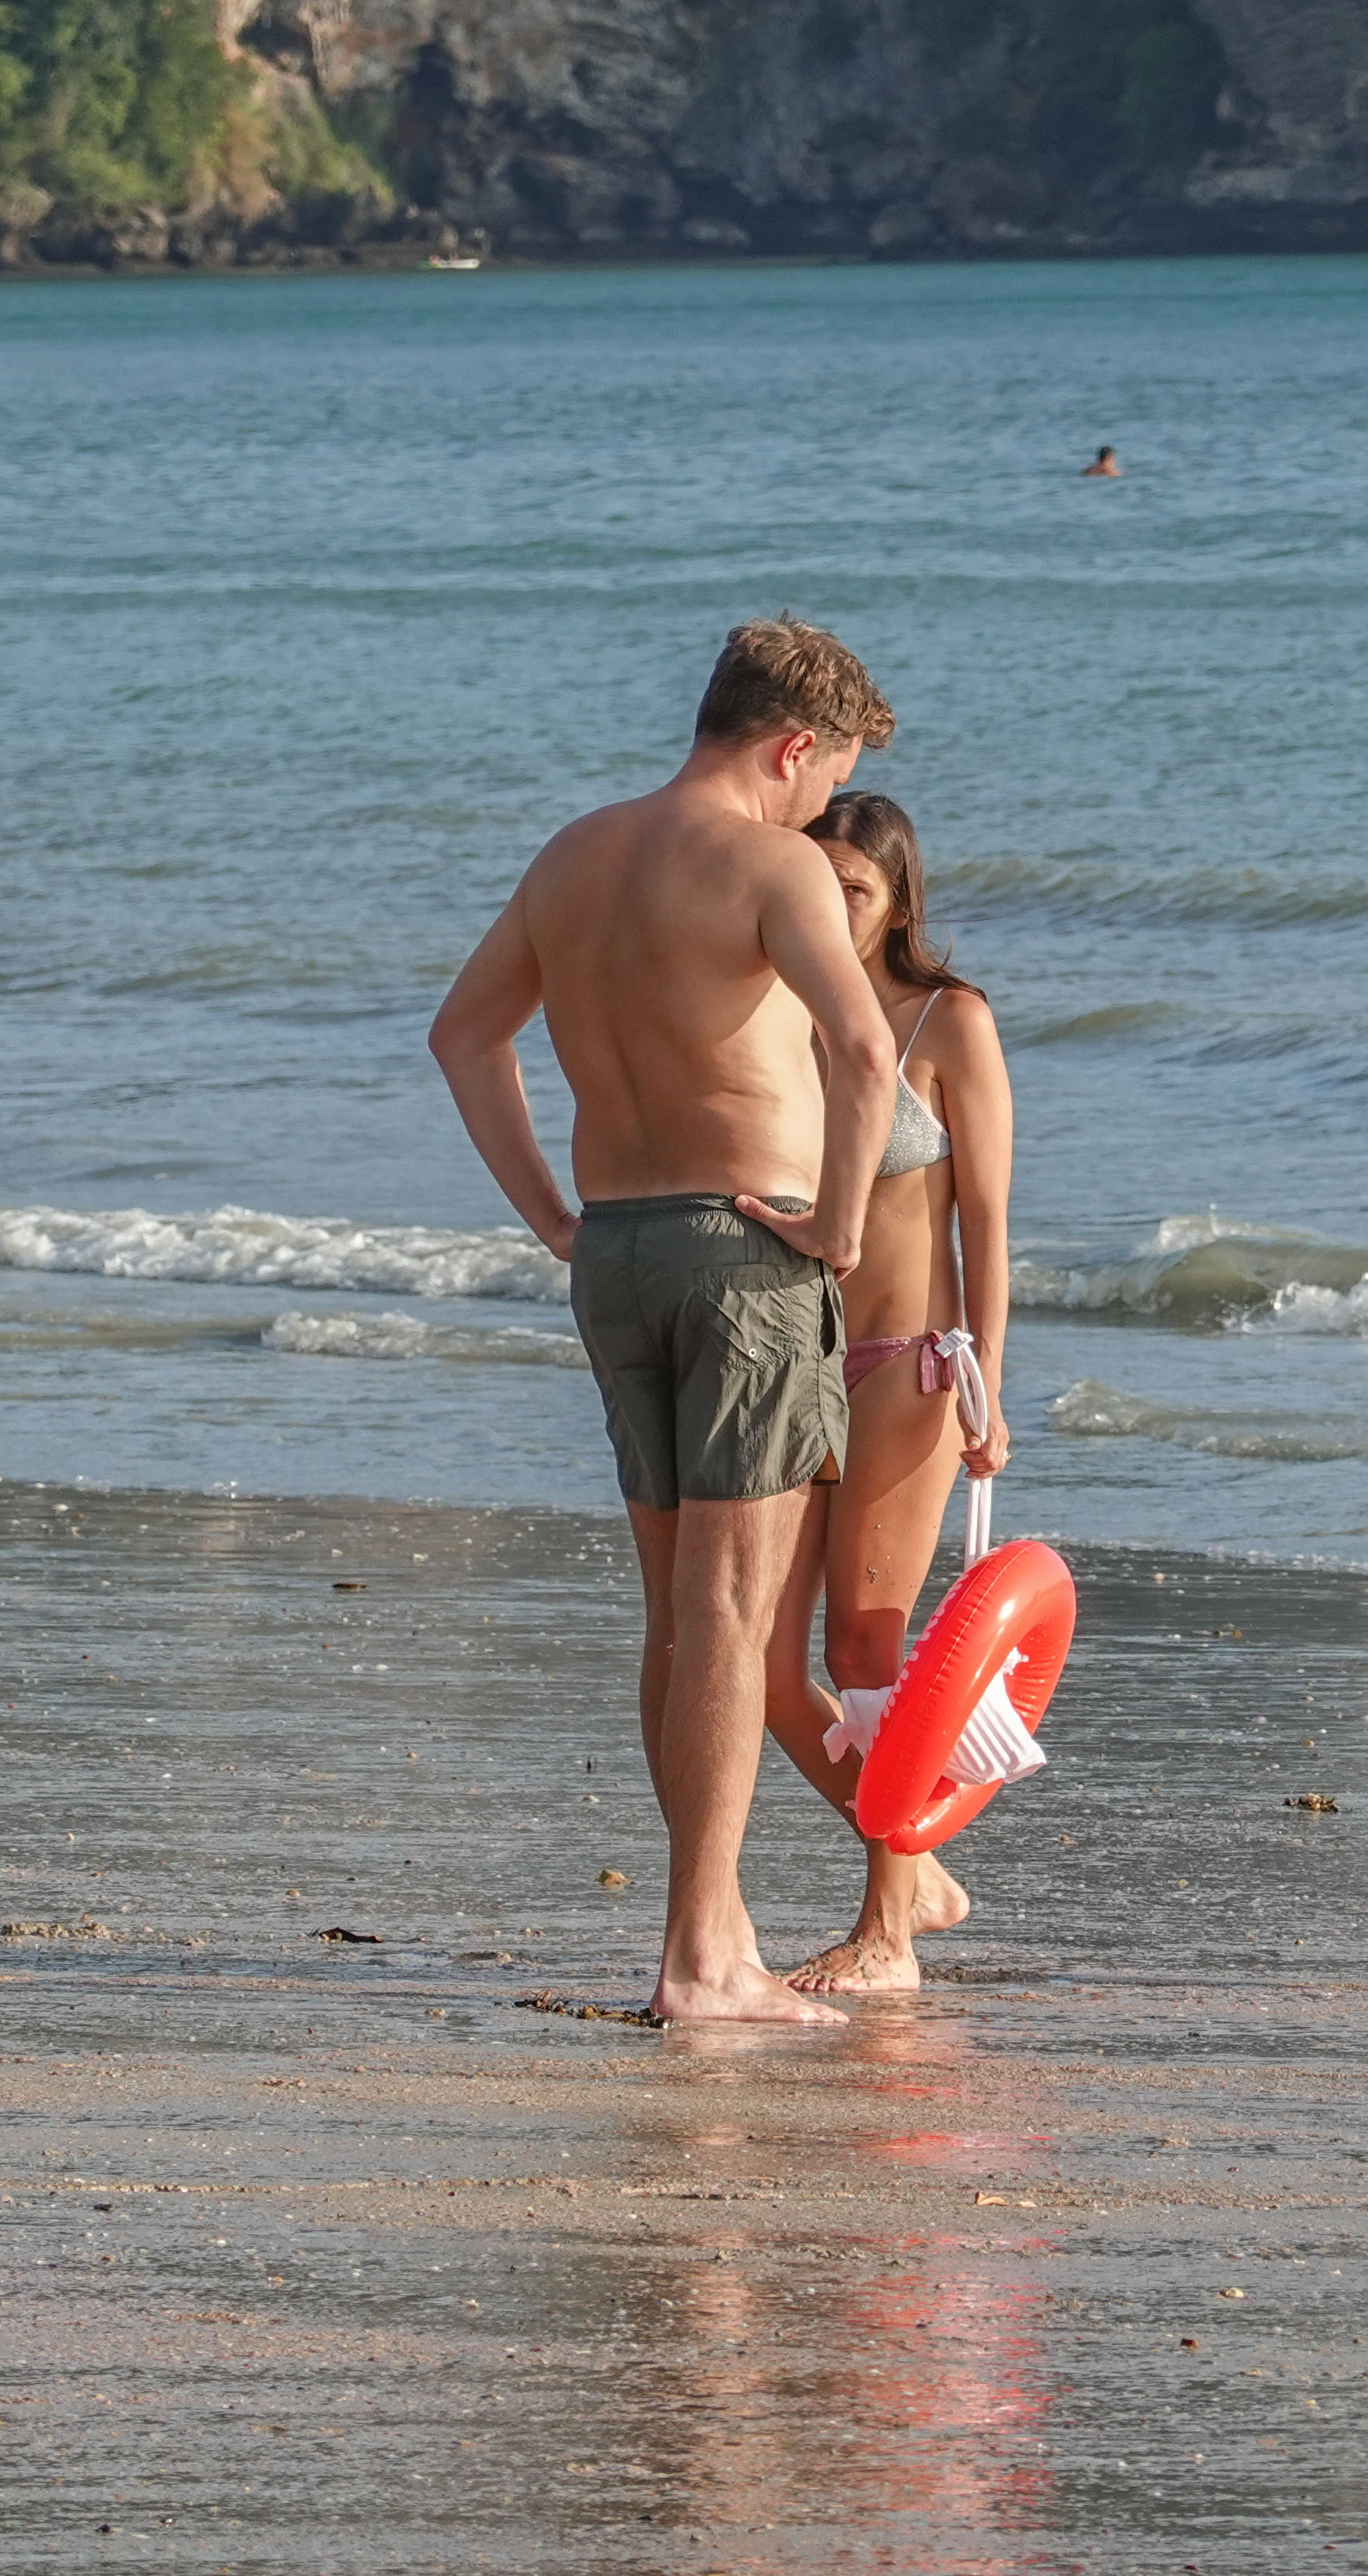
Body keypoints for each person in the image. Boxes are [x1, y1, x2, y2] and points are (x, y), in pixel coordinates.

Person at [427, 617, 902, 2026]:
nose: (828, 809)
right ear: (790, 745)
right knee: (730, 1610)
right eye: (833, 779)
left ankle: (719, 1923)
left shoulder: (575, 855)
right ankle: (704, 1957)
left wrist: (557, 1222)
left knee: (676, 1618)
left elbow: (465, 1035)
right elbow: (869, 1049)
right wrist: (840, 1222)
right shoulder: (772, 865)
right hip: (741, 1256)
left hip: (618, 1249)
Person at [759, 792, 1017, 1993]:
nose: (833, 907)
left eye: (855, 890)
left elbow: (989, 1228)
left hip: (905, 1367)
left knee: (869, 1652)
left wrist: (990, 1387)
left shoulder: (949, 1023)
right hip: (790, 1360)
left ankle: (887, 1936)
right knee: (760, 1668)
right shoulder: (776, 1013)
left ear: (900, 901)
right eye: (817, 885)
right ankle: (913, 1868)